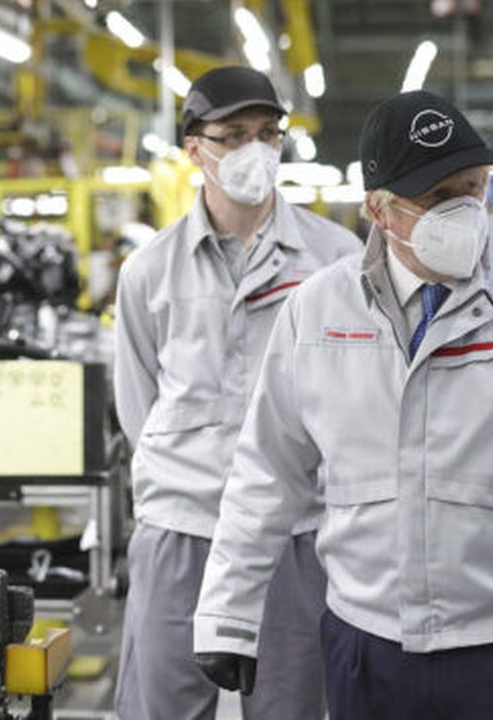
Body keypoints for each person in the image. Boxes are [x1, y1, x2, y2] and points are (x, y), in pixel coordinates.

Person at [192, 89, 493, 720]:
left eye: (472, 187)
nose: (464, 211)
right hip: (369, 651)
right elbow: (266, 474)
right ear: (379, 209)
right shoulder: (317, 312)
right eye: (436, 196)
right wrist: (228, 612)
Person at [113, 66, 359, 720]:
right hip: (183, 522)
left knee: (292, 704)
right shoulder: (148, 271)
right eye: (234, 135)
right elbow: (138, 402)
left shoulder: (335, 259)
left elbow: (356, 394)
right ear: (195, 148)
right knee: (162, 704)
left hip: (295, 525)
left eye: (267, 134)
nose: (256, 149)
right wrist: (189, 466)